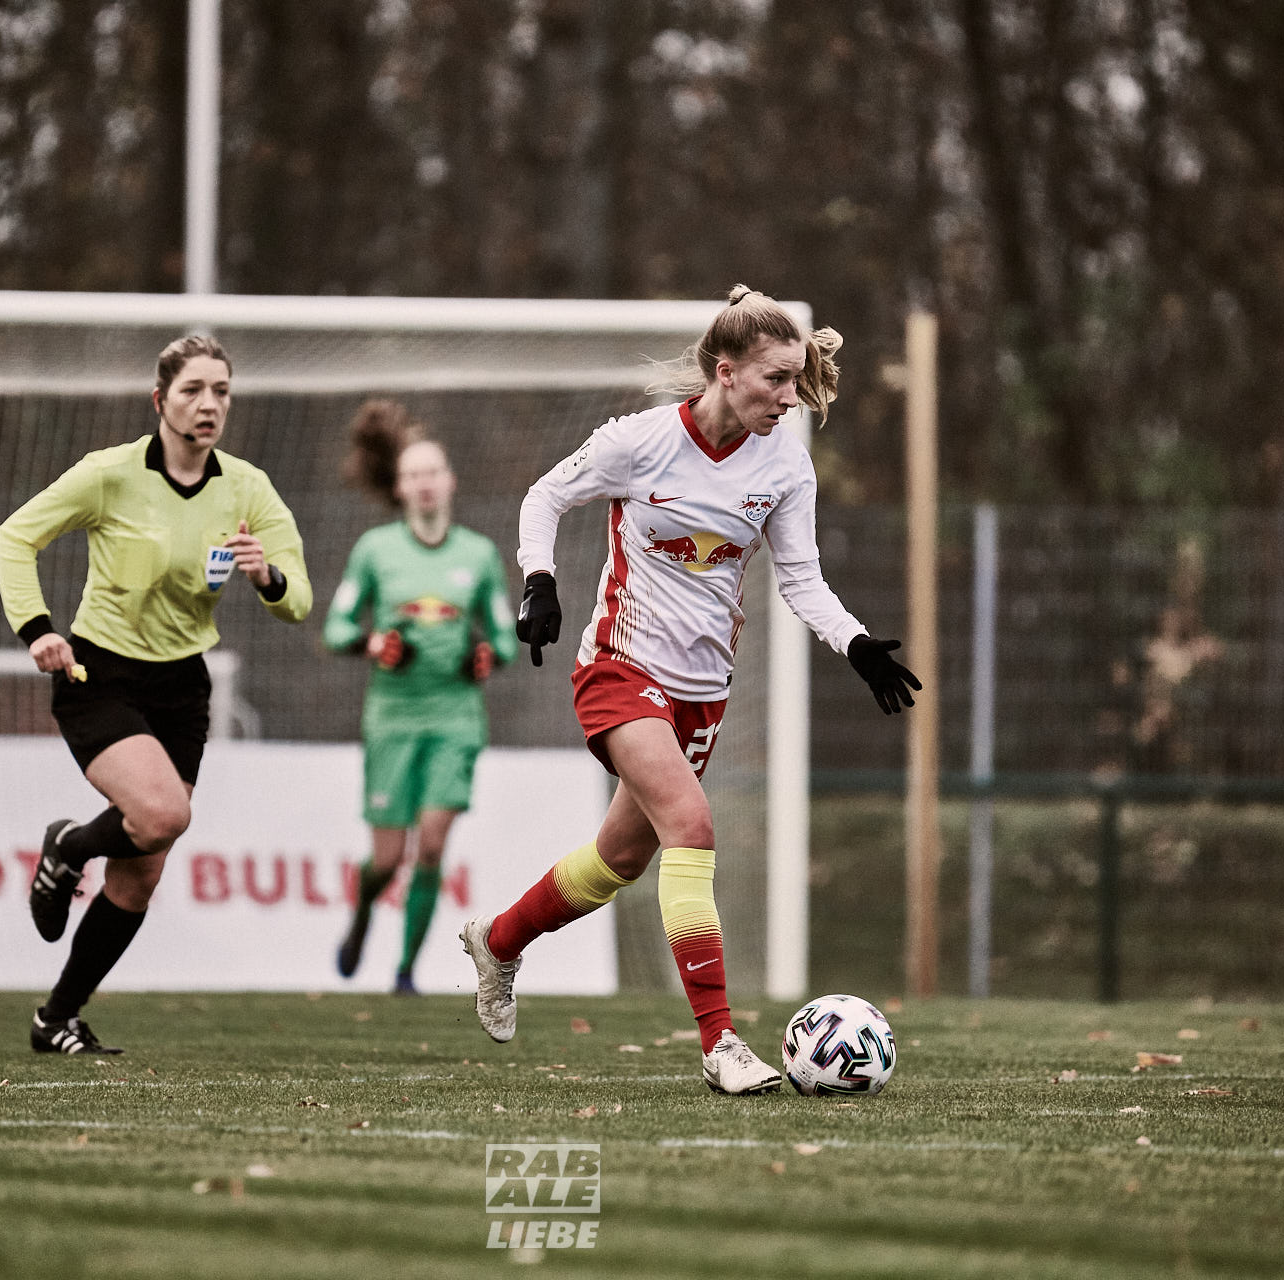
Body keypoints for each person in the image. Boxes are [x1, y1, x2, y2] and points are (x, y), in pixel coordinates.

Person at [458, 286, 921, 1095]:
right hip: (620, 667)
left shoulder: (785, 463)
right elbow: (545, 497)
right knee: (692, 826)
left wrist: (854, 644)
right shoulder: (637, 442)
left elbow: (802, 578)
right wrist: (538, 580)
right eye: (777, 379)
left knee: (620, 858)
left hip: (703, 691)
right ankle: (719, 1045)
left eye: (797, 380)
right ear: (725, 369)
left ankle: (498, 941)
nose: (789, 397)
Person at [0, 334, 312, 1056]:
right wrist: (37, 629)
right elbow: (15, 538)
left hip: (181, 686)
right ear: (160, 400)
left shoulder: (246, 488)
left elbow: (298, 602)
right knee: (166, 812)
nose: (209, 405)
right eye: (193, 390)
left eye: (221, 392)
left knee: (141, 874)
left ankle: (56, 1019)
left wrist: (267, 577)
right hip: (98, 674)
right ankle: (71, 845)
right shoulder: (110, 474)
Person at [323, 401, 517, 995]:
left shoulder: (478, 555)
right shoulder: (376, 551)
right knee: (386, 859)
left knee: (431, 843)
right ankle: (360, 917)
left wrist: (486, 654)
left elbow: (505, 636)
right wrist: (374, 642)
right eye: (413, 474)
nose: (425, 483)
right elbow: (335, 629)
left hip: (455, 715)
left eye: (434, 472)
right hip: (392, 716)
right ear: (400, 487)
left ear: (450, 482)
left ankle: (406, 970)